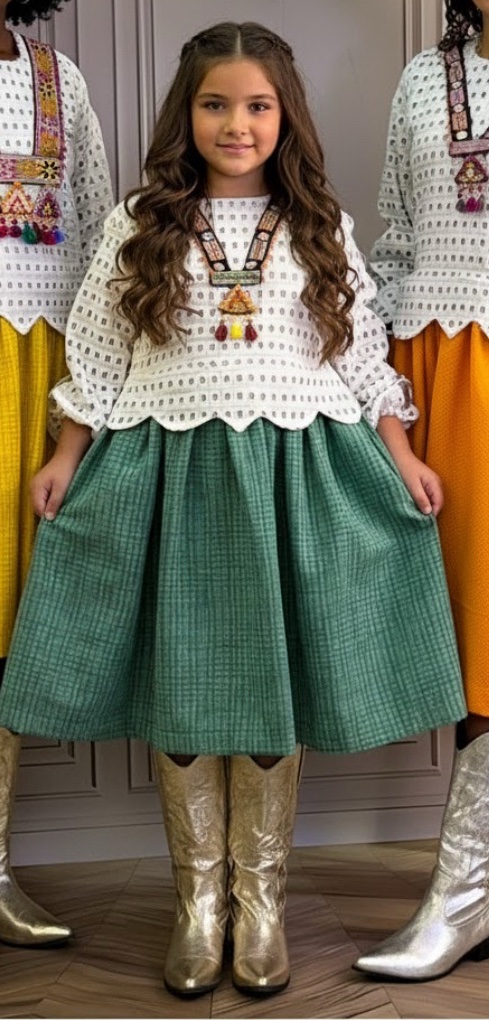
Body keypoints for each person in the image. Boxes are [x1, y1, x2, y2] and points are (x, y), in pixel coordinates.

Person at [0, 20, 465, 997]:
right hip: (170, 472)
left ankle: (259, 906)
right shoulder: (139, 222)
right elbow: (100, 350)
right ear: (188, 113)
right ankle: (197, 904)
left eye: (258, 106)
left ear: (285, 116)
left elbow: (358, 352)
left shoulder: (318, 225)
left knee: (263, 695)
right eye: (216, 104)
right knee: (187, 685)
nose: (237, 124)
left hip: (292, 476)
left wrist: (400, 451)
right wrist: (67, 455)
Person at [354, 0, 489, 984]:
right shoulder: (420, 79)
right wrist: (384, 400)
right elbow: (396, 248)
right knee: (470, 635)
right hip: (436, 373)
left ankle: (463, 896)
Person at [0, 0, 113, 947]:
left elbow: (100, 254)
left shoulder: (58, 81)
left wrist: (83, 413)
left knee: (9, 615)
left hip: (39, 374)